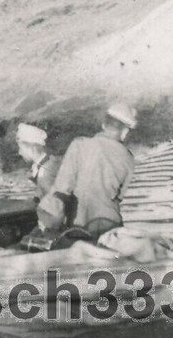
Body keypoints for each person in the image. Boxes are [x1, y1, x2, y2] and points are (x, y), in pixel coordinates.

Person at [42, 102, 138, 240]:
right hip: (111, 227)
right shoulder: (128, 158)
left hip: (78, 226)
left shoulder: (79, 145)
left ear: (104, 125)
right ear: (125, 131)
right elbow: (120, 196)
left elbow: (62, 189)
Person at [16, 122, 61, 200]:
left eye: (21, 148)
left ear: (31, 148)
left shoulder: (44, 170)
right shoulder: (46, 161)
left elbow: (54, 201)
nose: (19, 152)